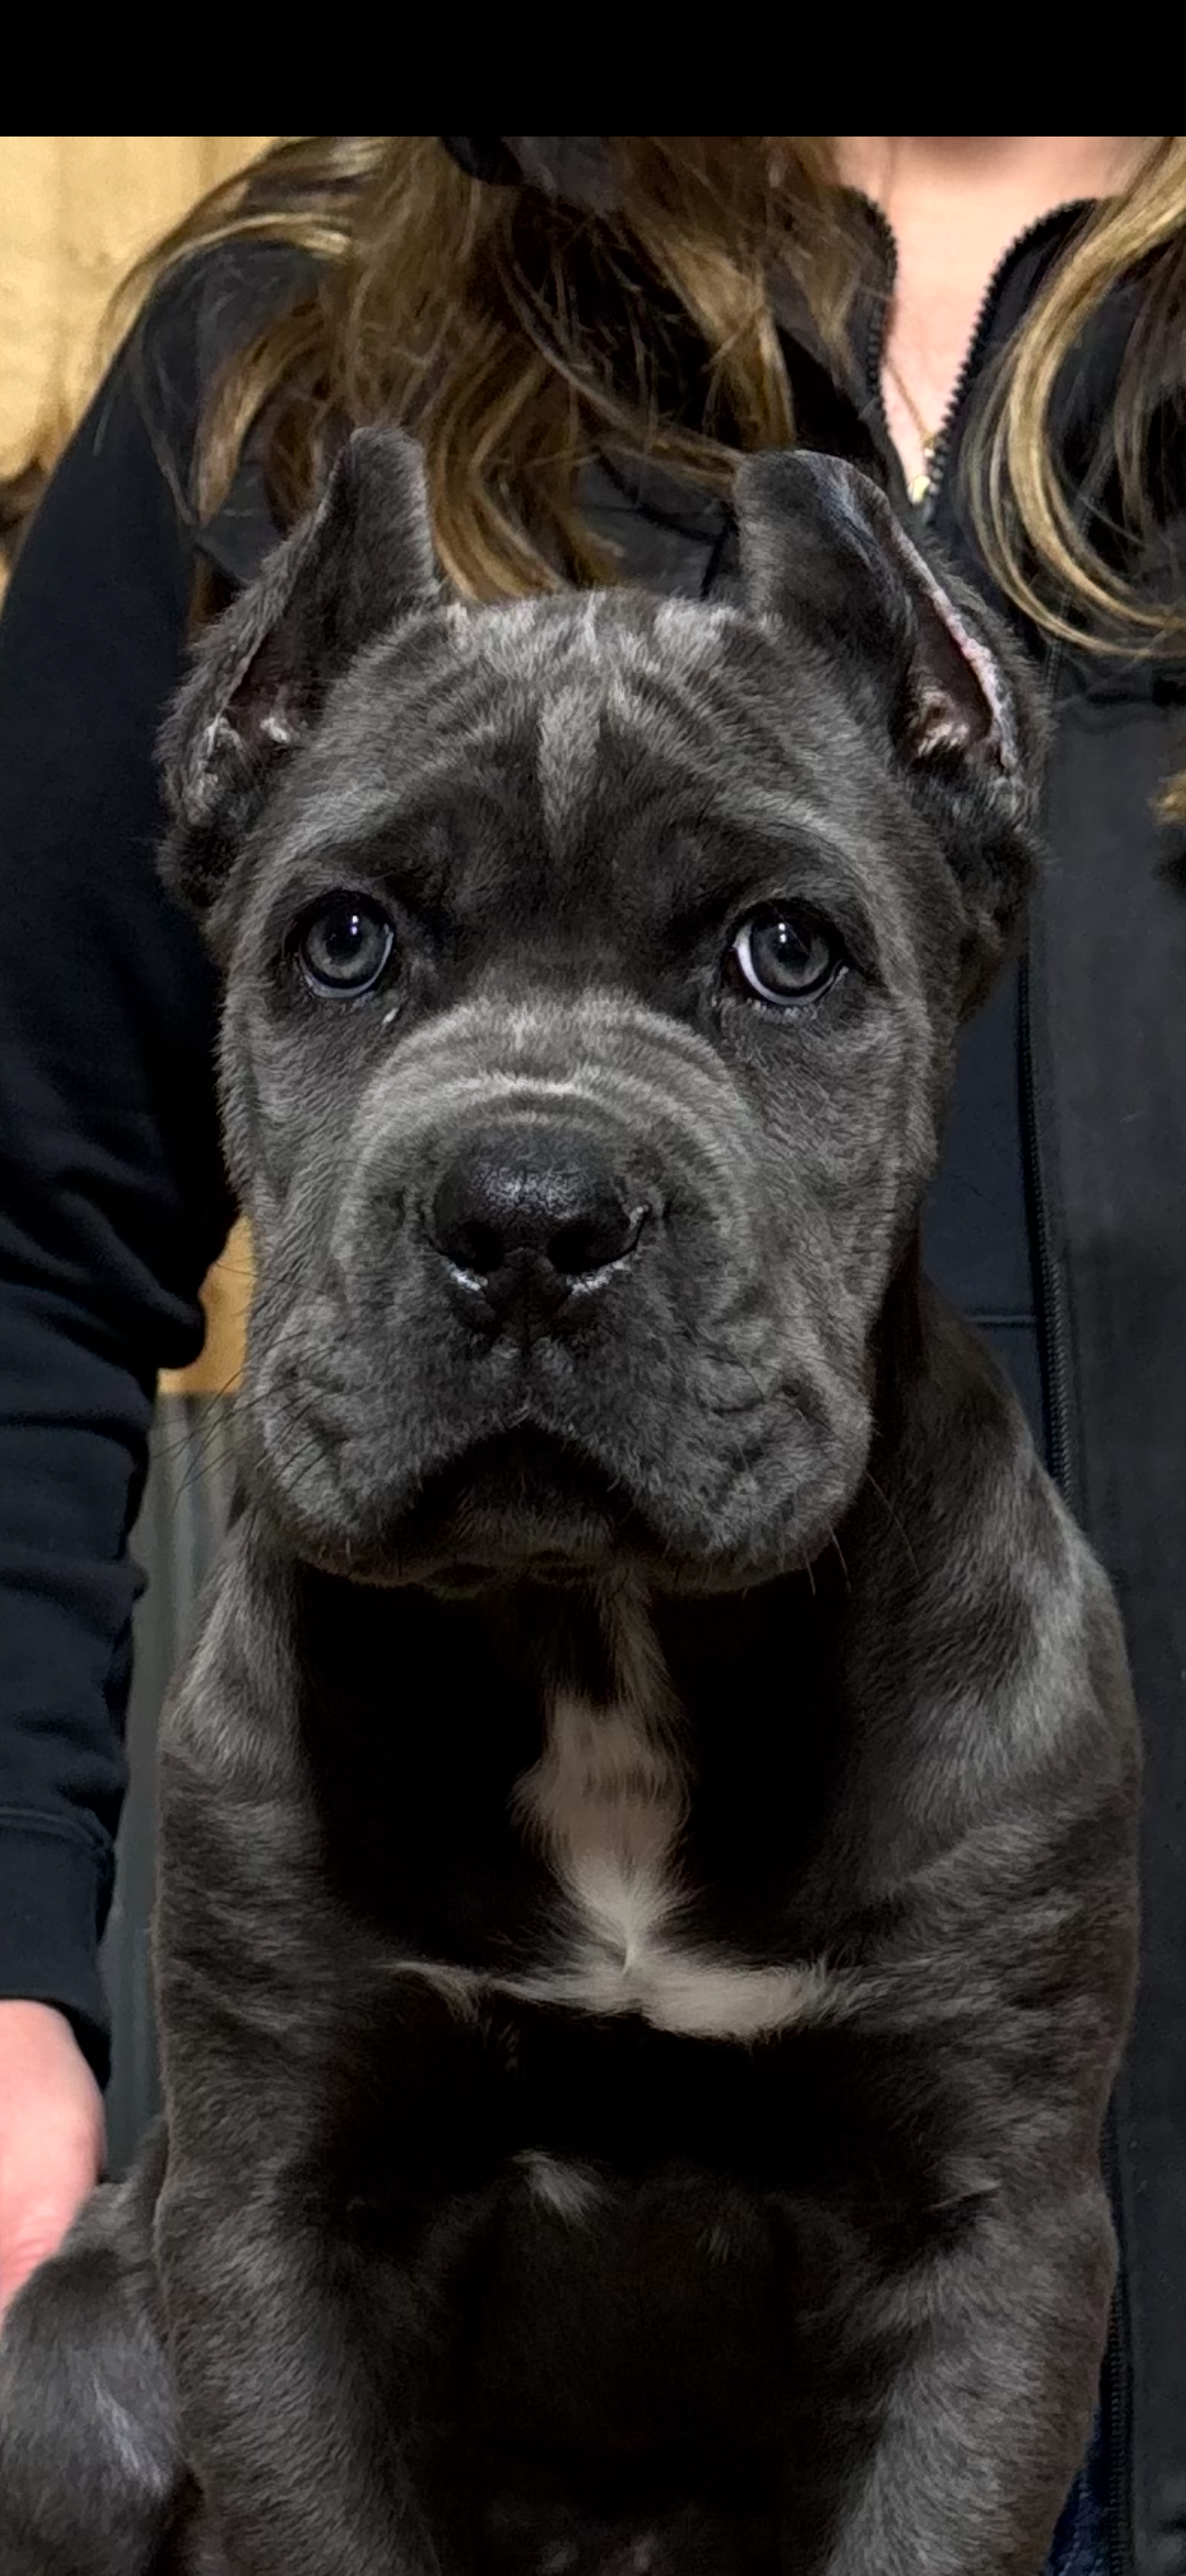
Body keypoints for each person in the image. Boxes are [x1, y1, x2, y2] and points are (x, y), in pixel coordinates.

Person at [0, 134, 1182, 2576]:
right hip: (355, 2341)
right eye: (352, 951)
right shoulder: (289, 327)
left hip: (1031, 2260)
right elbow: (14, 1224)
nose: (535, 1170)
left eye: (767, 956)